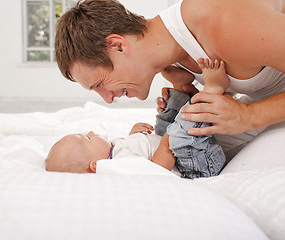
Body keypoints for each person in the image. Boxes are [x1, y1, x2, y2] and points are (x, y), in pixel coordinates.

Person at [55, 0, 285, 159]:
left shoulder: (221, 23)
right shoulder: (174, 59)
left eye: (99, 84)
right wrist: (205, 101)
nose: (107, 98)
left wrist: (251, 115)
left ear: (117, 45)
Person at [46, 59, 227, 178]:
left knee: (164, 123)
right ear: (95, 165)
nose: (92, 132)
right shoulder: (118, 167)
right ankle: (213, 90)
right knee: (177, 133)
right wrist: (167, 143)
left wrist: (134, 135)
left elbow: (136, 150)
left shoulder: (114, 151)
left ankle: (180, 87)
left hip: (185, 153)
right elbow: (157, 169)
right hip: (198, 165)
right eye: (87, 138)